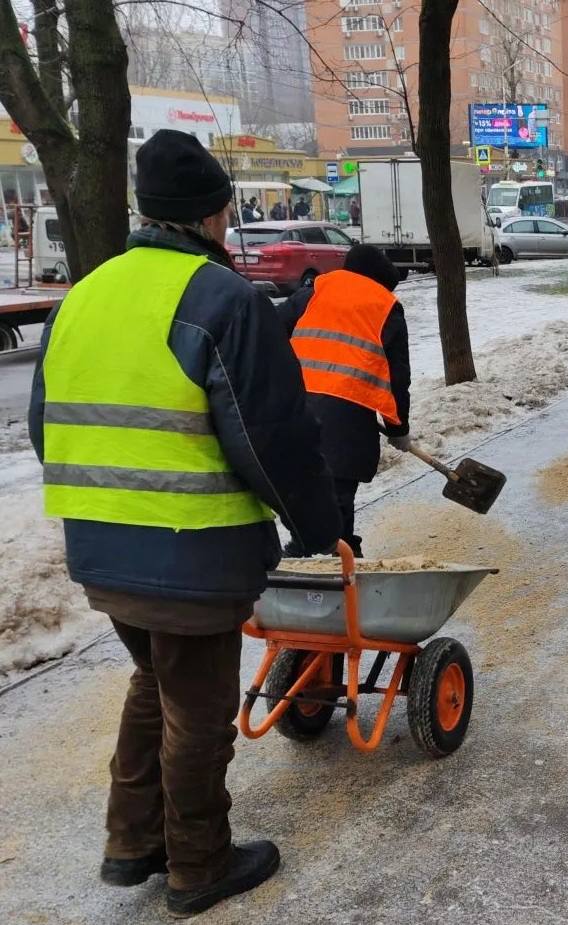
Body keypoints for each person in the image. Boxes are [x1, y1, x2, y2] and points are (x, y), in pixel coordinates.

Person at [28, 130, 340, 914]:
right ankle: (199, 861)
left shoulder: (86, 294)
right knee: (198, 710)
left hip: (99, 547)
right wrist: (316, 525)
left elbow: (45, 425)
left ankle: (132, 841)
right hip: (194, 553)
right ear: (211, 215)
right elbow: (270, 437)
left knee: (153, 681)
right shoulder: (222, 299)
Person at [279, 245, 410, 558]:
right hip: (347, 416)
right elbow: (397, 379)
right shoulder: (386, 306)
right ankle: (338, 560)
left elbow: (269, 332)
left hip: (295, 410)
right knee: (338, 492)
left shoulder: (312, 293)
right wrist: (398, 428)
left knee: (304, 483)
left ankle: (318, 549)